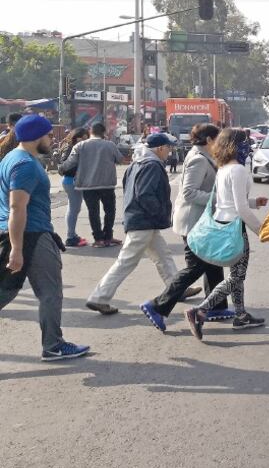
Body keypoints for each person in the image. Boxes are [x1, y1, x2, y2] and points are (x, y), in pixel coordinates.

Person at [0, 115, 89, 361]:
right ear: (37, 136)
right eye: (49, 135)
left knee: (5, 292)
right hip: (31, 235)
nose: (52, 139)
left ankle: (53, 343)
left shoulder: (11, 158)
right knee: (50, 292)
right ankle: (53, 345)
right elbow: (18, 207)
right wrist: (17, 249)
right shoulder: (25, 165)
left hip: (20, 234)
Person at [139, 124, 232, 332]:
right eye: (218, 139)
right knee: (196, 267)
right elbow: (189, 193)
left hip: (202, 221)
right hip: (193, 222)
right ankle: (157, 306)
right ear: (209, 140)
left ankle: (216, 306)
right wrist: (219, 199)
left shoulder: (205, 156)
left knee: (213, 263)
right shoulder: (199, 160)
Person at [185, 128, 268, 339]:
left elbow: (226, 201)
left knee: (236, 275)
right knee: (236, 276)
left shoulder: (223, 168)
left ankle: (241, 316)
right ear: (235, 146)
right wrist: (262, 231)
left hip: (223, 222)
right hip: (235, 227)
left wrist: (253, 203)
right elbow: (240, 208)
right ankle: (200, 310)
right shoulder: (238, 170)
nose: (247, 148)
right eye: (244, 144)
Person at [85, 134, 181, 315]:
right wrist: (159, 212)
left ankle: (177, 287)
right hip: (143, 220)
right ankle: (99, 297)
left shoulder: (138, 163)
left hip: (140, 219)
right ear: (160, 148)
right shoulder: (151, 165)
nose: (170, 152)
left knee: (163, 256)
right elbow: (144, 194)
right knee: (126, 261)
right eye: (169, 148)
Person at [58, 122, 123, 248]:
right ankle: (108, 237)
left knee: (93, 211)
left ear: (90, 132)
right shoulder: (110, 145)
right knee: (109, 211)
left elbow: (69, 163)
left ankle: (98, 239)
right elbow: (120, 159)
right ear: (104, 133)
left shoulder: (80, 145)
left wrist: (60, 169)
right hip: (107, 184)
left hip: (88, 185)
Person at [57, 127, 90, 248]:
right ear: (76, 137)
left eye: (87, 138)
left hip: (75, 181)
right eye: (82, 138)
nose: (84, 140)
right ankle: (70, 237)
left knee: (75, 208)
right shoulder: (70, 147)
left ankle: (72, 234)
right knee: (73, 208)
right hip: (71, 181)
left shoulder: (80, 147)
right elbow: (64, 166)